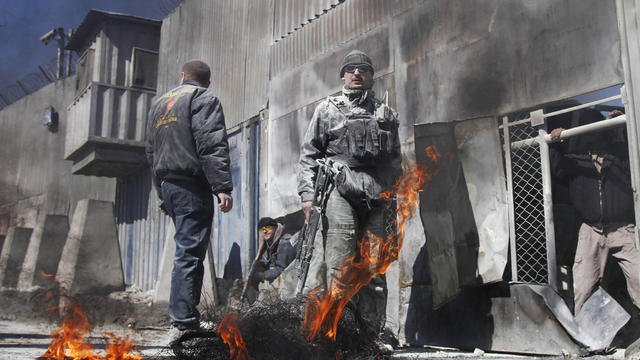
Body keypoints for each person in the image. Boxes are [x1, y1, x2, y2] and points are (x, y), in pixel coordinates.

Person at [297, 50, 402, 342]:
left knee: (373, 269)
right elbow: (308, 157)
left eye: (364, 69)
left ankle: (371, 334)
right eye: (351, 69)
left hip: (378, 195)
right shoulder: (327, 109)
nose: (357, 73)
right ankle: (337, 333)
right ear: (343, 75)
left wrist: (395, 194)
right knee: (340, 265)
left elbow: (395, 161)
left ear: (371, 77)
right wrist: (308, 197)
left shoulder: (386, 113)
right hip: (339, 190)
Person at [145, 60, 233, 342]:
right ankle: (183, 322)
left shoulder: (160, 103)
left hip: (169, 184)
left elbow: (151, 152)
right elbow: (211, 143)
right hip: (191, 185)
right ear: (208, 81)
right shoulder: (203, 98)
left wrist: (160, 190)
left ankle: (185, 318)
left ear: (182, 76)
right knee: (190, 252)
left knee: (186, 250)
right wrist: (222, 187)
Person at [549, 108, 640, 314]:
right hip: (591, 230)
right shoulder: (577, 159)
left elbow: (634, 147)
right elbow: (556, 170)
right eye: (588, 131)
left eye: (597, 129)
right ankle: (584, 333)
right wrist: (555, 144)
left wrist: (622, 124)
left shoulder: (620, 156)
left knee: (638, 278)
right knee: (583, 283)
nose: (593, 135)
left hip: (622, 227)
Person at [244, 217, 297, 301]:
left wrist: (263, 275)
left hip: (287, 285)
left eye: (268, 228)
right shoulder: (269, 242)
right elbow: (265, 260)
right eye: (262, 229)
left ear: (275, 227)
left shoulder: (284, 243)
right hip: (277, 282)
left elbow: (282, 269)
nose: (265, 231)